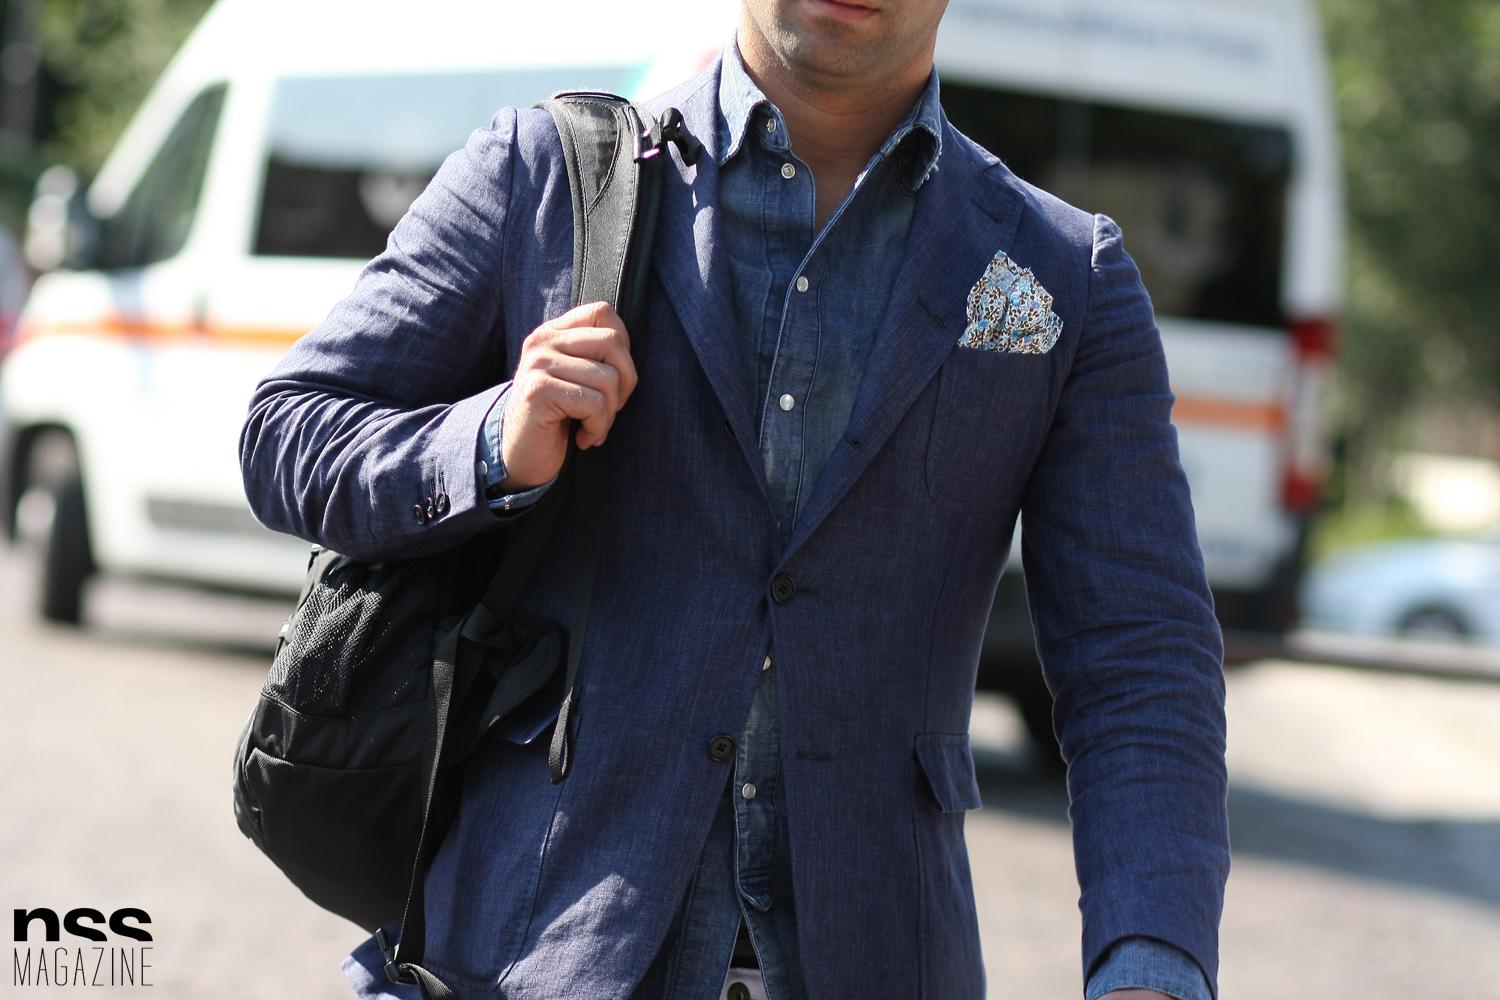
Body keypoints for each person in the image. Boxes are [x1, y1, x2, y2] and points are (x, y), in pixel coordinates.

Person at [238, 0, 1230, 997]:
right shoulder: (541, 176)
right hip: (524, 954)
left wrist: (1149, 962)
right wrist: (493, 441)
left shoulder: (1068, 275)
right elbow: (288, 432)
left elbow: (1141, 659)